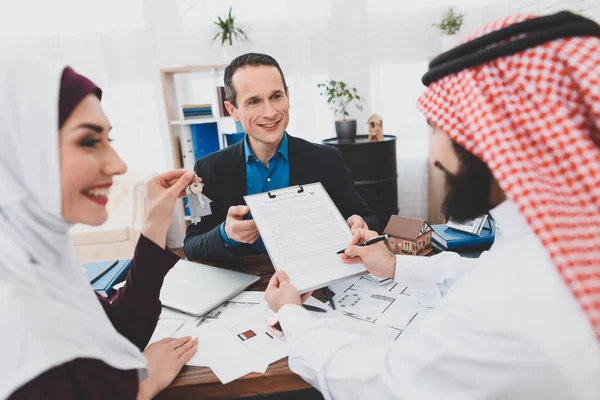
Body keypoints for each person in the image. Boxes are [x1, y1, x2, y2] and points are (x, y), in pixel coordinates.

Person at [264, 12, 600, 399]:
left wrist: (291, 315)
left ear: (493, 133)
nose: (434, 158)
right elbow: (484, 273)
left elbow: (383, 386)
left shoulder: (503, 307)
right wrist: (395, 263)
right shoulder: (548, 244)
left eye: (438, 130)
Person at [1, 59, 199, 399]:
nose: (118, 164)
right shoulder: (14, 309)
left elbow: (119, 330)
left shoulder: (40, 262)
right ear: (20, 152)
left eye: (108, 139)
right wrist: (142, 387)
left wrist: (155, 220)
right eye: (89, 141)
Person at [183, 53, 379, 262]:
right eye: (254, 101)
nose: (270, 112)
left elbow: (369, 218)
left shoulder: (327, 159)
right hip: (244, 281)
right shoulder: (208, 168)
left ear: (287, 96)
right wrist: (226, 234)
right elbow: (191, 245)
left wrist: (359, 224)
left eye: (276, 96)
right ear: (233, 110)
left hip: (315, 279)